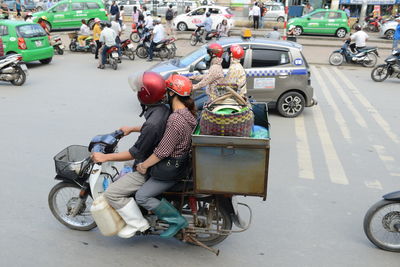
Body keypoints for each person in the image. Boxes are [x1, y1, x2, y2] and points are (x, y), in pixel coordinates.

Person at [93, 71, 170, 238]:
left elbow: (135, 152)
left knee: (112, 193)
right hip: (158, 160)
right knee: (127, 167)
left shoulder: (152, 123)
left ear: (146, 94)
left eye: (139, 91)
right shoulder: (163, 108)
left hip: (150, 167)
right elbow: (153, 129)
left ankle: (138, 223)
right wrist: (133, 128)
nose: (137, 93)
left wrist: (105, 157)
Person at [135, 74, 197, 239]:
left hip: (169, 170)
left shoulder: (176, 119)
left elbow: (163, 151)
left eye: (166, 92)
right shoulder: (187, 114)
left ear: (171, 94)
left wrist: (144, 165)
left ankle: (176, 221)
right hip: (182, 164)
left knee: (141, 196)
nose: (163, 95)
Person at [190, 43, 224, 108]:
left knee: (193, 106)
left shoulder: (215, 68)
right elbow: (206, 76)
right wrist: (192, 78)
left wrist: (191, 88)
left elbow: (204, 82)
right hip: (211, 95)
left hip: (213, 99)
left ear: (213, 55)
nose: (207, 55)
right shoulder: (215, 66)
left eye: (209, 54)